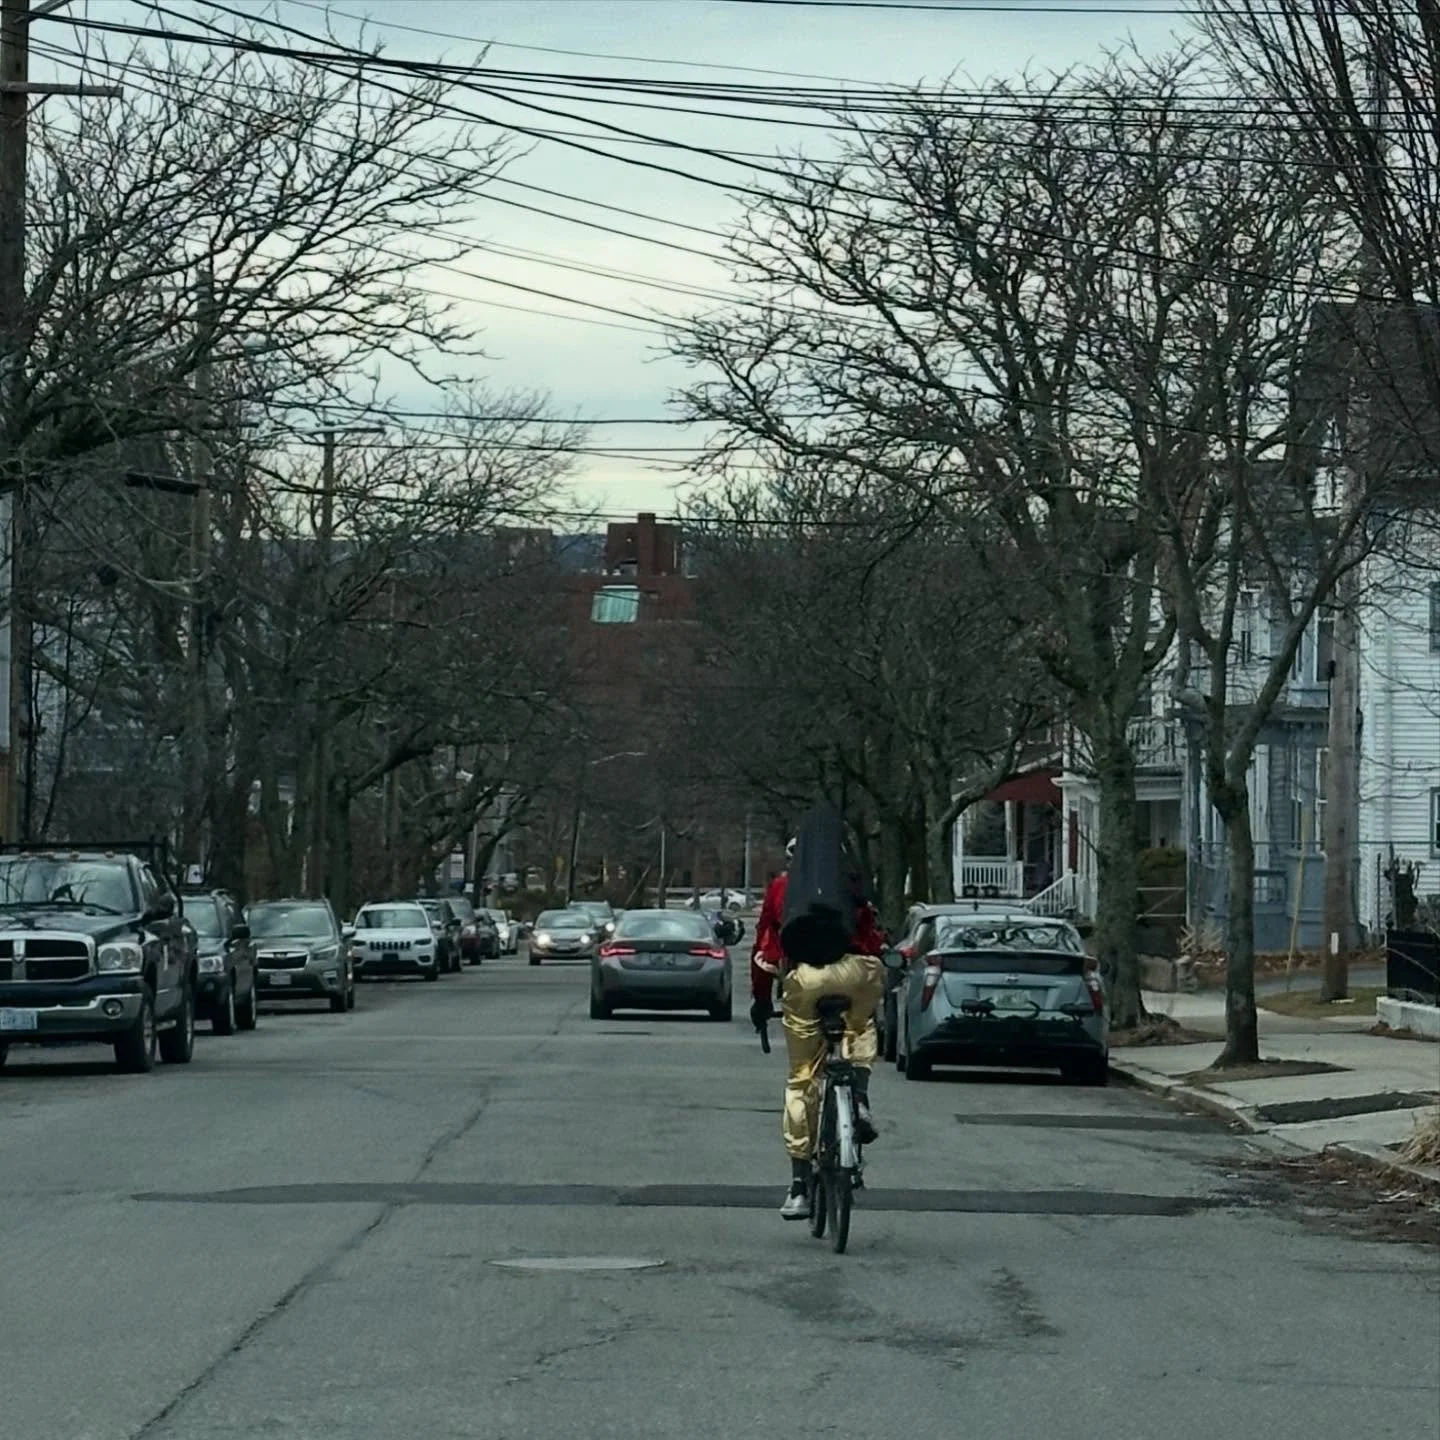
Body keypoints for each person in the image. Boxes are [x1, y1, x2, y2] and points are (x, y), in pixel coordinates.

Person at [750, 821, 886, 1220]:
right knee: (860, 1028)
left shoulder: (781, 889)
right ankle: (858, 1100)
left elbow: (765, 950)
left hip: (806, 979)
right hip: (858, 972)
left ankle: (797, 1187)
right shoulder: (853, 884)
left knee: (803, 1078)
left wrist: (761, 1000)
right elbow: (875, 937)